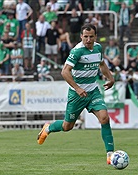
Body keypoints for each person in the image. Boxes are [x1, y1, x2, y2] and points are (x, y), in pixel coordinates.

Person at [37, 24, 116, 165]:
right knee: (67, 127)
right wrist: (77, 88)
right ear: (81, 36)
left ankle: (110, 155)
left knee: (104, 118)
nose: (88, 39)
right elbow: (65, 72)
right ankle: (48, 128)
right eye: (85, 36)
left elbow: (102, 64)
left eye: (91, 36)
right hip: (77, 94)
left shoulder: (98, 48)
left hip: (92, 91)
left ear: (95, 36)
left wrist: (110, 78)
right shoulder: (77, 51)